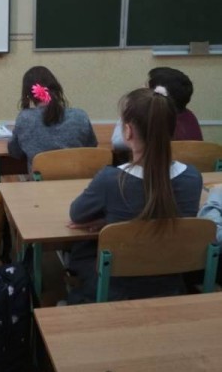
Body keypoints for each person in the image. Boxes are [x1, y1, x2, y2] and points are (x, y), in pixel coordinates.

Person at [65, 85, 203, 303]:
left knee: (78, 252)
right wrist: (113, 222)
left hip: (117, 288)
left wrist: (111, 221)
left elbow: (77, 214)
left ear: (128, 131)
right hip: (171, 284)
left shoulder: (111, 180)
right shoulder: (193, 178)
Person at [7, 66, 97, 175]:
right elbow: (91, 146)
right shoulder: (80, 115)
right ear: (57, 88)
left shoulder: (25, 118)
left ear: (28, 95)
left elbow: (15, 152)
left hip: (40, 182)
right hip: (77, 179)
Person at [112, 67, 203, 150]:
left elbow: (117, 142)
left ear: (156, 97)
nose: (141, 87)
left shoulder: (153, 121)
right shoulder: (190, 116)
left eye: (146, 85)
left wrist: (130, 108)